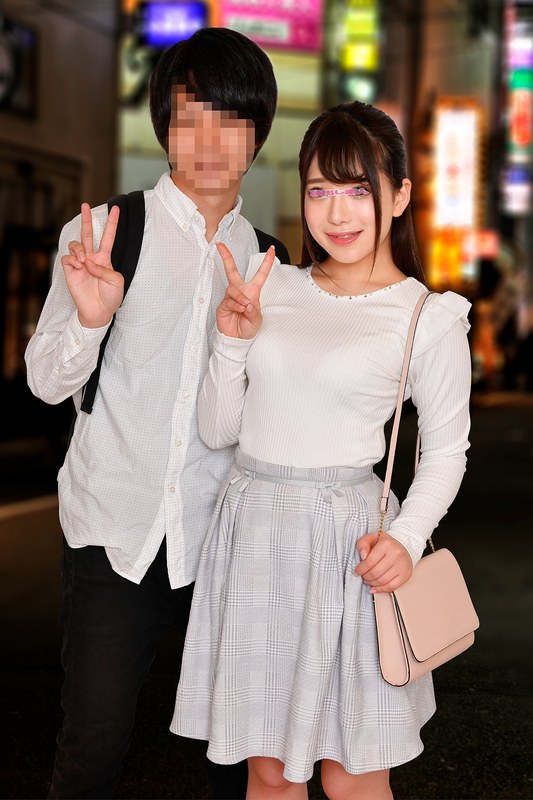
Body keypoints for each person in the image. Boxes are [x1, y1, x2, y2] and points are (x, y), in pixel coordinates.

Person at [171, 100, 472, 799]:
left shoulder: (425, 316)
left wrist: (406, 538)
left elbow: (446, 453)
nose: (337, 214)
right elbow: (219, 430)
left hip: (349, 549)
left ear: (399, 195)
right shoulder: (270, 284)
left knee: (352, 775)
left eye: (358, 190)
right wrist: (231, 341)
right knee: (269, 773)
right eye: (319, 191)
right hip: (253, 536)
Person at [24, 27, 288, 800]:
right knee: (93, 748)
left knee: (228, 758)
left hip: (223, 540)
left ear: (256, 133)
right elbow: (44, 383)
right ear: (163, 127)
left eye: (227, 120)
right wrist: (91, 319)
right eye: (187, 119)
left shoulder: (270, 264)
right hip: (115, 530)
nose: (206, 143)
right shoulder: (106, 234)